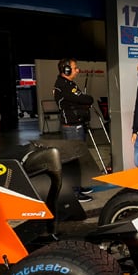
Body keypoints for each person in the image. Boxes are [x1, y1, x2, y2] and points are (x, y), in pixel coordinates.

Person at [53, 58, 95, 201]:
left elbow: (80, 100)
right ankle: (74, 192)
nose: (77, 70)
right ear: (66, 70)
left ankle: (78, 187)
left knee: (79, 158)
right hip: (72, 128)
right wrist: (84, 101)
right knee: (73, 160)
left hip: (76, 125)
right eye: (75, 67)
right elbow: (85, 99)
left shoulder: (68, 84)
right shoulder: (63, 85)